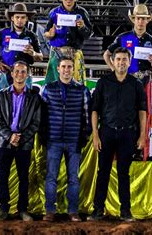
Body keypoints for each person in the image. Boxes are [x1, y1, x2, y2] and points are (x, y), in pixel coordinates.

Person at [88, 47, 147, 222]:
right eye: (118, 59)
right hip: (106, 132)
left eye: (124, 59)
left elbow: (142, 111)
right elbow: (94, 110)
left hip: (128, 134)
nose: (121, 62)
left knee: (124, 173)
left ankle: (125, 211)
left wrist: (142, 135)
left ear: (130, 62)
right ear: (112, 61)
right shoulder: (103, 82)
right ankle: (98, 210)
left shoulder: (136, 84)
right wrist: (96, 135)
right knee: (103, 172)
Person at [103, 4, 152, 160]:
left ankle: (140, 149)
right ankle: (121, 151)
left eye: (144, 19)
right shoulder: (123, 37)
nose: (141, 21)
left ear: (148, 20)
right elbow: (107, 54)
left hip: (144, 81)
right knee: (125, 114)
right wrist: (114, 70)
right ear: (133, 19)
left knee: (143, 115)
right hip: (126, 81)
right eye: (138, 18)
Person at [41, 57, 91, 222]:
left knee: (73, 178)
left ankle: (73, 211)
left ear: (74, 69)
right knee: (51, 177)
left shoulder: (82, 90)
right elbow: (42, 115)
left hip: (74, 140)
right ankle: (50, 211)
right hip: (53, 140)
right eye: (63, 67)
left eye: (70, 67)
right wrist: (44, 136)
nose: (66, 70)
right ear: (59, 68)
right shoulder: (48, 88)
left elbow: (87, 117)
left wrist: (84, 137)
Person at [0, 61, 41, 222]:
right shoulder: (1, 95)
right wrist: (9, 136)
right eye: (17, 72)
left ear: (27, 75)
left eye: (23, 72)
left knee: (23, 177)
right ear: (11, 74)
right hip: (4, 142)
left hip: (24, 143)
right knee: (3, 176)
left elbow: (36, 122)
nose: (20, 75)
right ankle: (3, 209)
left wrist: (21, 137)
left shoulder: (34, 97)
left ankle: (23, 209)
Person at [44, 0, 92, 84]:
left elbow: (88, 34)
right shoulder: (54, 13)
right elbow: (46, 33)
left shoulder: (82, 13)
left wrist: (82, 27)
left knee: (76, 87)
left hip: (75, 53)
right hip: (56, 53)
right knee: (53, 86)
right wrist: (50, 35)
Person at [0, 2, 43, 91]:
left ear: (26, 19)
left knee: (25, 102)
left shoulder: (32, 36)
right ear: (12, 18)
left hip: (24, 74)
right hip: (6, 72)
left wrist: (33, 53)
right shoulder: (3, 33)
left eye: (22, 17)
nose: (20, 20)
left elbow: (40, 57)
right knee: (3, 101)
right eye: (17, 17)